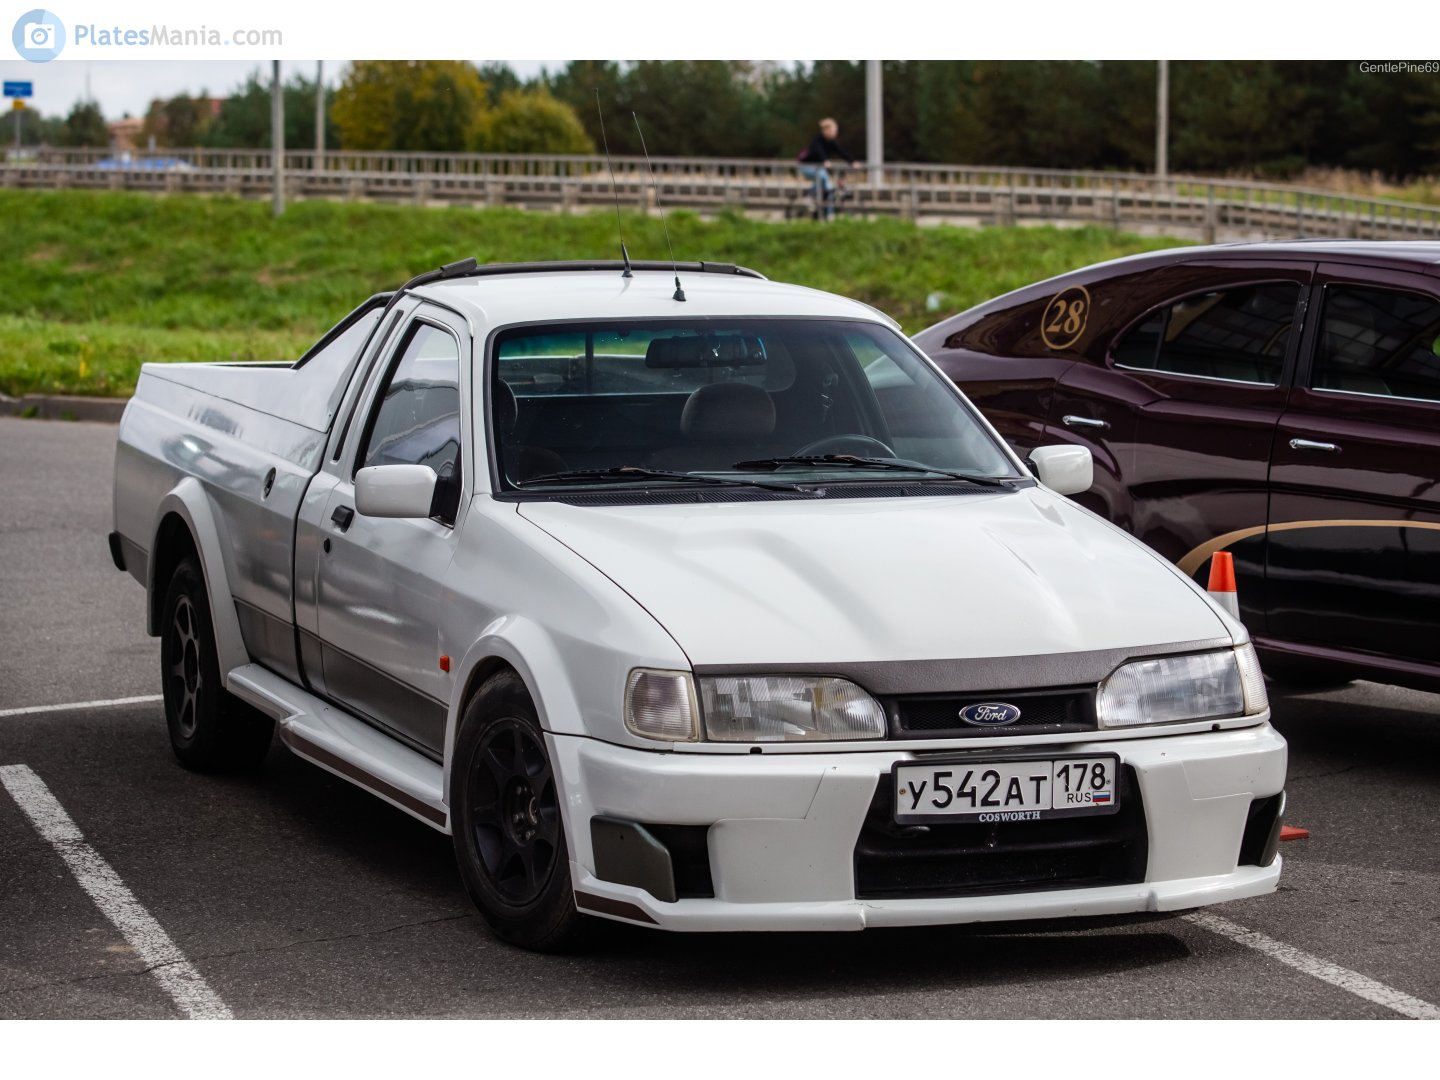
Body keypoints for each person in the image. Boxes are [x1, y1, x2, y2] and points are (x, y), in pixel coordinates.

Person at [797, 117, 857, 219]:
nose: (835, 133)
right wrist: (825, 160)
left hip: (819, 168)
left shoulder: (831, 142)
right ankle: (808, 196)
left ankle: (827, 213)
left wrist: (852, 161)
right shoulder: (817, 140)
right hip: (807, 167)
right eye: (833, 130)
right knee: (823, 180)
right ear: (826, 130)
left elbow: (841, 151)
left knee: (828, 189)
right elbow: (818, 150)